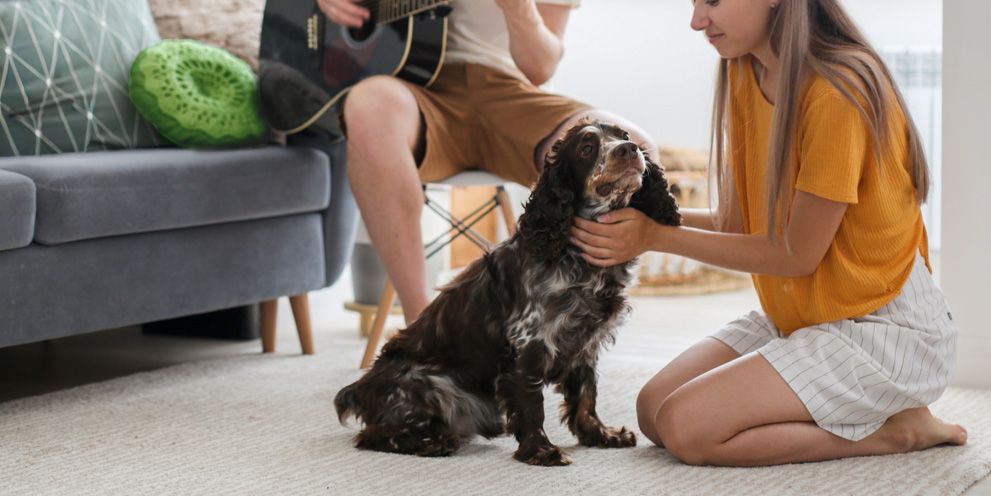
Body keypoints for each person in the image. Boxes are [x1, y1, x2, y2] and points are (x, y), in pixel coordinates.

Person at [569, 0, 967, 466]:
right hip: (806, 315)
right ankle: (855, 413)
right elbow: (739, 223)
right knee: (653, 411)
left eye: (712, 2)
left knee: (686, 428)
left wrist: (655, 238)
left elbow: (797, 255)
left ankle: (895, 432)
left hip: (883, 331)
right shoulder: (745, 71)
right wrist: (648, 220)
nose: (697, 20)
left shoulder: (837, 90)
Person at [318, 0, 656, 325]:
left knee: (638, 147)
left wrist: (520, 11)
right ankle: (421, 326)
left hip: (510, 93)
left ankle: (563, 325)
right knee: (368, 104)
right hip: (412, 88)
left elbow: (540, 68)